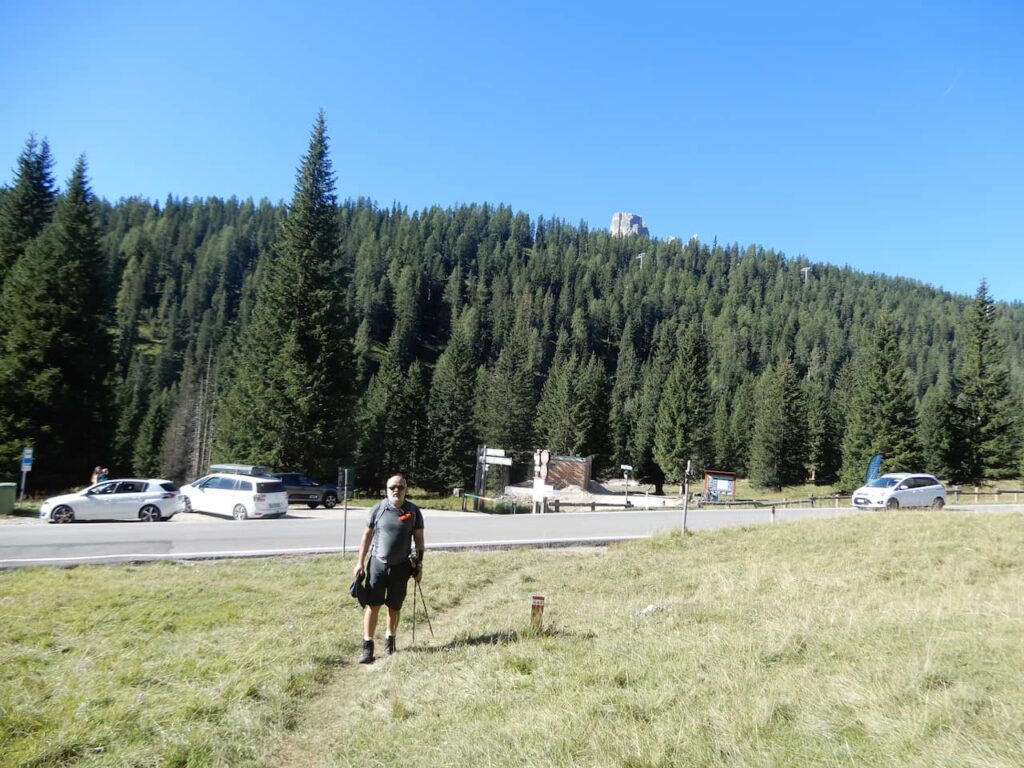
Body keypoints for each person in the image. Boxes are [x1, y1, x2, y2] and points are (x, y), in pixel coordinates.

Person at [353, 474, 424, 663]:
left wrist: (419, 565)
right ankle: (367, 647)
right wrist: (360, 562)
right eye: (393, 487)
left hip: (401, 567)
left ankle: (390, 641)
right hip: (377, 565)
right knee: (373, 606)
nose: (396, 490)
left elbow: (419, 541)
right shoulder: (378, 509)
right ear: (387, 489)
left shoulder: (413, 511)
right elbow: (366, 537)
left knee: (394, 607)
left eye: (401, 487)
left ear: (406, 489)